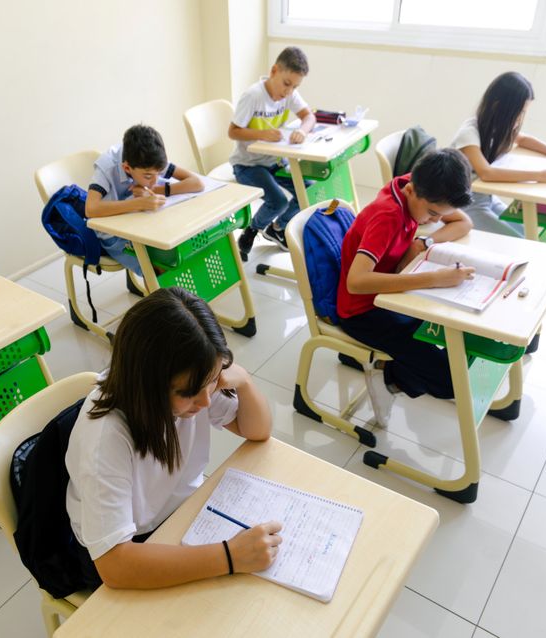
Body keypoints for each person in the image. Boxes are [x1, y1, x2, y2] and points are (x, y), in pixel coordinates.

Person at [61, 287, 279, 590]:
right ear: (147, 384)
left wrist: (243, 382)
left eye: (213, 380)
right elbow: (113, 565)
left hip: (180, 511)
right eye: (190, 393)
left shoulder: (192, 381)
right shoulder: (106, 438)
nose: (205, 402)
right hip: (129, 542)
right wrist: (230, 557)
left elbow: (256, 431)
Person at [337, 149, 474, 423]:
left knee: (457, 334)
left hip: (395, 295)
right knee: (450, 380)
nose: (435, 220)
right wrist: (434, 279)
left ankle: (397, 364)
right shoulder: (387, 216)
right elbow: (356, 282)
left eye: (439, 215)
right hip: (364, 311)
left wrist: (424, 242)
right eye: (433, 213)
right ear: (412, 189)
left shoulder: (415, 185)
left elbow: (463, 222)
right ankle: (387, 376)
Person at [451, 71, 546, 237]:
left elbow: (523, 139)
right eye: (519, 112)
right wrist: (540, 176)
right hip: (462, 205)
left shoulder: (497, 127)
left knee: (529, 234)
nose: (520, 118)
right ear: (497, 106)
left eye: (523, 112)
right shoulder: (469, 132)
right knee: (519, 241)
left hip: (486, 199)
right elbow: (486, 173)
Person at [229, 46, 316, 260]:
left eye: (295, 87)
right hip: (248, 164)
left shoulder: (290, 93)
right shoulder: (253, 96)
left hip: (274, 162)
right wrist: (262, 134)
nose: (288, 91)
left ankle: (277, 227)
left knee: (309, 190)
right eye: (287, 84)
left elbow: (309, 117)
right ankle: (251, 230)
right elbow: (232, 131)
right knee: (278, 201)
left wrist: (302, 131)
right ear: (274, 71)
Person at [86, 124, 204, 276]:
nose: (154, 180)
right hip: (115, 236)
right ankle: (159, 296)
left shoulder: (151, 159)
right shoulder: (107, 166)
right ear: (127, 168)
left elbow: (197, 183)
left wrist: (157, 190)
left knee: (180, 250)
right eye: (148, 177)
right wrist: (138, 203)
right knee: (161, 269)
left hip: (144, 224)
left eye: (159, 173)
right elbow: (91, 209)